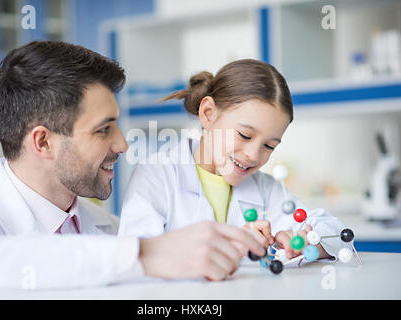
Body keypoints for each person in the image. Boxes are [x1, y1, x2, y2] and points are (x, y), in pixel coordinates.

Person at [0, 41, 266, 295]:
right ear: (43, 142)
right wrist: (144, 254)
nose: (122, 145)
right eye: (104, 129)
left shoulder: (113, 230)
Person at [118, 59, 347, 261]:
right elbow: (135, 254)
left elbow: (339, 234)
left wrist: (309, 242)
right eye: (244, 135)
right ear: (208, 114)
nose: (253, 155)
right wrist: (230, 245)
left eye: (269, 146)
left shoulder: (265, 189)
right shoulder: (157, 174)